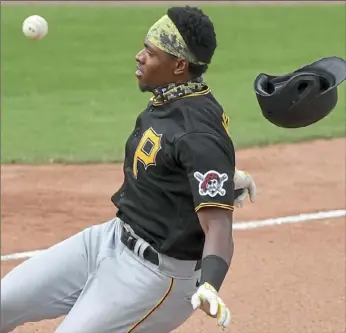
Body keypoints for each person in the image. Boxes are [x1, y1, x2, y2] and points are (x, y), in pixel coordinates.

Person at [0, 6, 257, 333]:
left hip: (156, 277)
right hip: (107, 242)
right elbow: (176, 162)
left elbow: (219, 227)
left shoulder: (198, 134)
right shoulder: (170, 99)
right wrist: (217, 178)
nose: (139, 56)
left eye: (150, 52)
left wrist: (209, 285)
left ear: (179, 65)